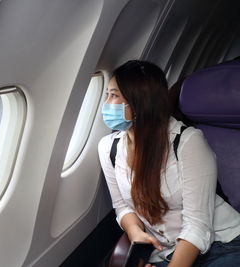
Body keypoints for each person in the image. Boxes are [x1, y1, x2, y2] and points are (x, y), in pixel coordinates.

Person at [98, 60, 240, 267]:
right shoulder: (108, 148)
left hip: (222, 244)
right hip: (166, 251)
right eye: (107, 95)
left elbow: (197, 226)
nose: (107, 104)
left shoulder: (188, 142)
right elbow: (121, 207)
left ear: (140, 102)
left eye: (114, 95)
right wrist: (136, 233)